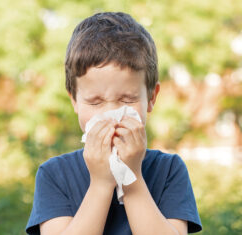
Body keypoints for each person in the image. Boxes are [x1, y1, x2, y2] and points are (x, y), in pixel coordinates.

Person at [26, 12, 202, 235]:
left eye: (127, 100)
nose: (110, 114)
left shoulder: (169, 170)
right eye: (95, 101)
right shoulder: (54, 174)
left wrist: (132, 178)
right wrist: (101, 184)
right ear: (74, 101)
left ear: (151, 97)